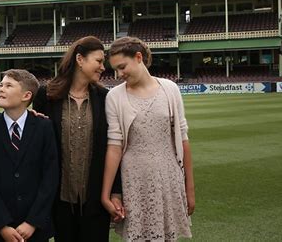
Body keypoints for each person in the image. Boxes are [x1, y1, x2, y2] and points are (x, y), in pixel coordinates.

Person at [101, 36, 195, 241]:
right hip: (133, 180)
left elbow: (183, 140)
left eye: (122, 67)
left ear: (138, 57)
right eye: (116, 69)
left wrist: (190, 189)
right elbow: (114, 147)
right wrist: (106, 194)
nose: (119, 74)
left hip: (169, 178)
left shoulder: (170, 89)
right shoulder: (114, 97)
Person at [33, 36, 122, 242]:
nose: (103, 67)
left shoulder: (104, 97)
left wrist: (116, 191)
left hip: (95, 200)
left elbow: (113, 148)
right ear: (80, 59)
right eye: (98, 61)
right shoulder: (46, 95)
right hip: (59, 200)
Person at [0, 69, 59, 242]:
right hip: (0, 231)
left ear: (26, 95)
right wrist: (1, 225)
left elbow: (50, 178)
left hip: (35, 229)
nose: (1, 89)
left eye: (8, 85)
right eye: (0, 84)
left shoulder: (44, 128)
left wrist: (32, 222)